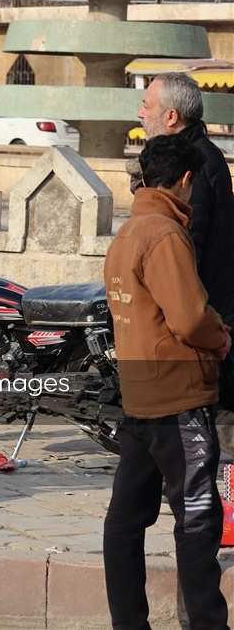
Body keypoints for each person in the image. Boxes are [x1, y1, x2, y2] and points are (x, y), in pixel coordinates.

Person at [103, 134, 231, 630]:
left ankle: (128, 622)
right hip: (177, 396)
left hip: (138, 395)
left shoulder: (128, 231)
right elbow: (190, 317)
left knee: (125, 519)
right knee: (198, 519)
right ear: (185, 180)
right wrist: (221, 338)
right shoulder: (165, 234)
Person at [134, 72, 234, 416]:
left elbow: (185, 245)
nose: (140, 113)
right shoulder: (192, 155)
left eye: (147, 106)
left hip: (206, 316)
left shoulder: (194, 164)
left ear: (171, 116)